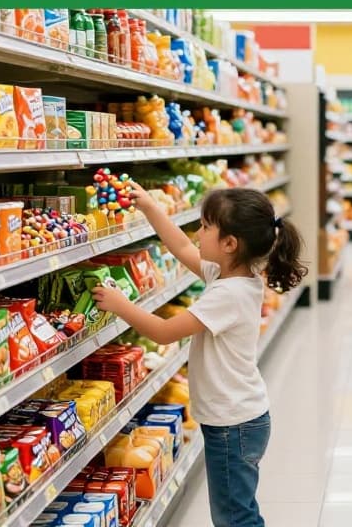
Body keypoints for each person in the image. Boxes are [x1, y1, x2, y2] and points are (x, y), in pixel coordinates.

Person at [93, 185, 306, 527]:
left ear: (229, 244)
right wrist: (150, 207)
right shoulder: (230, 274)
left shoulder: (229, 294)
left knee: (234, 517)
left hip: (233, 424)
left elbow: (164, 332)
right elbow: (180, 246)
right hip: (237, 417)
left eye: (205, 227)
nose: (197, 233)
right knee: (235, 509)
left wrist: (121, 305)